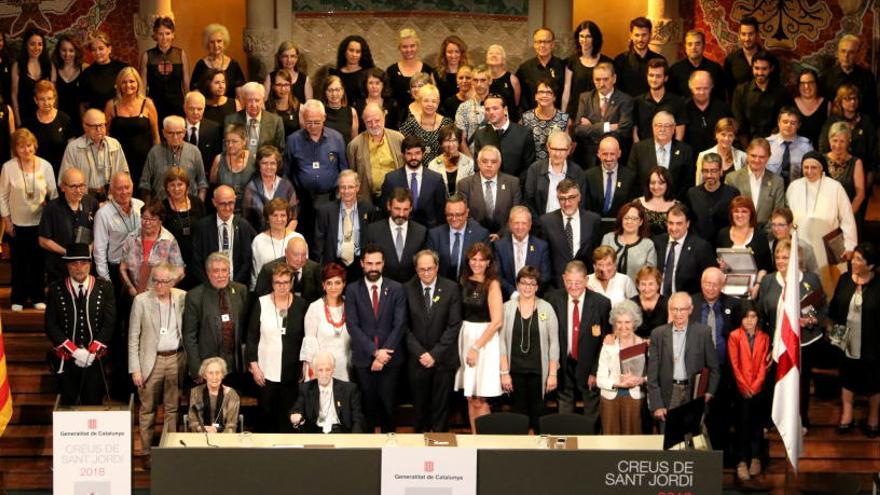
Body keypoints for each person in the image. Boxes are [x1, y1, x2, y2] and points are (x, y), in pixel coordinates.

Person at [756, 239, 826, 428]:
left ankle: (800, 420)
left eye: (785, 257)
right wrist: (765, 344)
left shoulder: (810, 280)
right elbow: (761, 314)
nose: (780, 261)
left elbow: (820, 308)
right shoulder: (769, 281)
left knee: (800, 384)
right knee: (775, 382)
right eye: (777, 257)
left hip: (804, 342)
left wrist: (810, 320)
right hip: (776, 343)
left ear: (796, 259)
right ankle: (774, 420)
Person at [345, 243, 407, 432]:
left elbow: (400, 324)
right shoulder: (352, 290)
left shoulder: (396, 288)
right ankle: (368, 454)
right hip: (364, 360)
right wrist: (374, 352)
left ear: (383, 264)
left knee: (389, 409)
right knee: (367, 410)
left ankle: (391, 451)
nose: (373, 268)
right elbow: (352, 326)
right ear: (362, 264)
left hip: (391, 360)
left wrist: (383, 355)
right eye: (369, 263)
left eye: (377, 263)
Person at [545, 260, 612, 432]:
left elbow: (605, 340)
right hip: (563, 363)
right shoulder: (552, 299)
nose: (573, 286)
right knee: (564, 411)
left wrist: (595, 371)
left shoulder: (601, 303)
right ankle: (565, 448)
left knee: (591, 412)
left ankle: (590, 446)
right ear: (563, 278)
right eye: (569, 282)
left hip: (589, 367)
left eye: (578, 282)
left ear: (586, 280)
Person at [128, 263, 186, 458]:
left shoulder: (182, 297)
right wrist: (135, 369)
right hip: (150, 362)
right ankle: (146, 453)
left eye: (164, 281)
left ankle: (170, 454)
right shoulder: (141, 301)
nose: (159, 285)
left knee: (173, 409)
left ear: (172, 281)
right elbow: (133, 337)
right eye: (156, 281)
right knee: (147, 410)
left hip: (175, 359)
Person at [45, 243, 115, 406]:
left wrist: (91, 351)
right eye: (74, 263)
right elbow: (50, 325)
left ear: (90, 265)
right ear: (67, 266)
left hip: (95, 359)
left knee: (93, 404)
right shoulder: (56, 289)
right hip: (67, 360)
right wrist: (75, 351)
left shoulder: (104, 288)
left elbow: (109, 322)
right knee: (68, 406)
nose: (79, 268)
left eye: (83, 263)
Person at [405, 250, 463, 432]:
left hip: (443, 360)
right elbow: (403, 327)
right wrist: (421, 353)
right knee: (419, 410)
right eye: (422, 269)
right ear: (416, 269)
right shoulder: (406, 289)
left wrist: (434, 354)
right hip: (417, 360)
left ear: (437, 267)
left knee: (441, 409)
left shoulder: (451, 288)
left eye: (430, 268)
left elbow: (454, 325)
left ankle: (439, 449)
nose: (426, 273)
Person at [0, 128, 58, 310]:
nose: (26, 150)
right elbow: (2, 195)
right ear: (15, 149)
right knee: (19, 262)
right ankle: (17, 298)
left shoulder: (46, 166)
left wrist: (49, 212)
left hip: (39, 224)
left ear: (35, 145)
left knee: (38, 262)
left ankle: (38, 296)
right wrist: (7, 220)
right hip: (16, 223)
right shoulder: (8, 167)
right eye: (21, 147)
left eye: (29, 145)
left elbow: (54, 194)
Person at [786, 151, 858, 297]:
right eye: (806, 167)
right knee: (803, 285)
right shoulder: (794, 186)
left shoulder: (835, 187)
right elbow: (787, 217)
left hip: (829, 244)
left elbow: (847, 218)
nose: (809, 171)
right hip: (800, 244)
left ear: (822, 168)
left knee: (830, 286)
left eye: (814, 167)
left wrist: (850, 246)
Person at [247, 263, 306, 432]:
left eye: (286, 282)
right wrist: (254, 367)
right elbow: (251, 338)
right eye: (278, 282)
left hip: (292, 373)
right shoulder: (261, 303)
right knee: (266, 416)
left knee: (287, 417)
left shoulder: (301, 305)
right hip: (265, 373)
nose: (282, 286)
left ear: (292, 282)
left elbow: (306, 337)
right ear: (272, 283)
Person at [646, 292, 720, 428]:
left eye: (682, 309)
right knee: (669, 439)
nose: (678, 313)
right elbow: (652, 375)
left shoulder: (703, 332)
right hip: (669, 392)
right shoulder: (658, 334)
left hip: (694, 392)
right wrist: (657, 404)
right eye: (674, 309)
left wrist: (710, 392)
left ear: (690, 310)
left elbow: (714, 367)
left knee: (692, 437)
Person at [499, 266, 559, 431]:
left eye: (532, 284)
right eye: (524, 283)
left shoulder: (546, 308)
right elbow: (501, 343)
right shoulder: (506, 308)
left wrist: (552, 374)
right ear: (517, 285)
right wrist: (504, 373)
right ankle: (519, 454)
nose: (527, 287)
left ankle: (539, 455)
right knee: (518, 416)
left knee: (539, 415)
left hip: (539, 372)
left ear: (537, 287)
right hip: (515, 371)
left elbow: (554, 343)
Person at [829, 243, 879, 437]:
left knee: (874, 379)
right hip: (846, 339)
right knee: (847, 376)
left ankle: (873, 416)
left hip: (872, 340)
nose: (854, 262)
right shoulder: (844, 280)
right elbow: (834, 309)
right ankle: (847, 414)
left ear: (871, 266)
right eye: (854, 258)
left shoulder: (878, 284)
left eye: (859, 259)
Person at [690, 267, 741, 458]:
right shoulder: (690, 303)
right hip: (694, 371)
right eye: (706, 283)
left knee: (720, 417)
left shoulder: (734, 305)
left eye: (715, 284)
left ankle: (719, 458)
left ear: (723, 285)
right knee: (694, 416)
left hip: (723, 370)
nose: (710, 288)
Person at [455, 242, 504, 433]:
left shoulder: (492, 284)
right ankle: (475, 437)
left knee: (481, 395)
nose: (477, 263)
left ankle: (484, 441)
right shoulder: (463, 280)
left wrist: (476, 347)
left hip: (484, 341)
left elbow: (497, 321)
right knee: (470, 395)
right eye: (473, 259)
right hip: (465, 336)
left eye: (481, 260)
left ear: (488, 262)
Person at [284, 99, 349, 237]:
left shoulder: (336, 138)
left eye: (317, 122)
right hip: (303, 200)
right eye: (309, 122)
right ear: (303, 119)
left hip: (330, 198)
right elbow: (286, 173)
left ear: (324, 118)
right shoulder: (293, 140)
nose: (313, 126)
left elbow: (344, 170)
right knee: (305, 236)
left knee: (328, 236)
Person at [183, 253, 249, 385]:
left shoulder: (240, 290)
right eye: (216, 271)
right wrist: (197, 369)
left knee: (233, 403)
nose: (221, 275)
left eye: (224, 270)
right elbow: (189, 336)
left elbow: (245, 327)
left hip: (234, 367)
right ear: (208, 273)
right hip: (208, 367)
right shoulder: (195, 296)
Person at [727, 301, 770, 481]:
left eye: (753, 316)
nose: (749, 320)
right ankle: (741, 461)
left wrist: (756, 385)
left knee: (757, 425)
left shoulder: (764, 337)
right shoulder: (734, 336)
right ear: (740, 318)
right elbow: (734, 365)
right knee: (742, 425)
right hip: (741, 390)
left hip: (758, 389)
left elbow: (763, 366)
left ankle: (755, 458)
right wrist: (744, 387)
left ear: (758, 318)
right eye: (745, 317)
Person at [38, 168, 99, 283]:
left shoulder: (92, 203)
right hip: (59, 268)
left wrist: (88, 250)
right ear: (63, 187)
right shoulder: (52, 208)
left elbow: (100, 233)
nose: (79, 190)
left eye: (82, 185)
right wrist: (68, 253)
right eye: (73, 186)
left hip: (87, 267)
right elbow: (43, 240)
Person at [596, 300, 648, 435]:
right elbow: (600, 379)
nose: (623, 326)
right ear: (614, 323)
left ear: (634, 323)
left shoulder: (644, 345)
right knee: (610, 442)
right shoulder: (608, 344)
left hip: (635, 398)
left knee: (633, 439)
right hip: (609, 399)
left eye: (627, 322)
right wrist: (617, 383)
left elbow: (651, 376)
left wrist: (640, 380)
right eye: (619, 322)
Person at [312, 170, 376, 277]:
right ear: (338, 188)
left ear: (357, 188)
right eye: (343, 187)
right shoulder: (325, 211)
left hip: (360, 266)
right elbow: (318, 243)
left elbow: (373, 239)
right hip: (333, 264)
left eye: (350, 187)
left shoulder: (368, 209)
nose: (346, 191)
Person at [106, 67, 161, 190]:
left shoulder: (148, 104)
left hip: (144, 161)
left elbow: (155, 135)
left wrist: (157, 160)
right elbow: (106, 134)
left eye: (131, 81)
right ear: (118, 84)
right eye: (124, 82)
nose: (128, 85)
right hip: (119, 160)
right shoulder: (111, 106)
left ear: (138, 83)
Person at [540, 179, 602, 286]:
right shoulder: (546, 222)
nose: (567, 203)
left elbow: (596, 253)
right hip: (557, 285)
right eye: (562, 199)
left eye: (571, 197)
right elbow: (544, 258)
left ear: (579, 197)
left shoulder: (593, 220)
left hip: (587, 283)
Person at [191, 185, 257, 286]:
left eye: (231, 203)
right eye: (222, 204)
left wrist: (234, 284)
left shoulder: (244, 226)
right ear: (214, 202)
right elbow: (196, 262)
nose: (227, 208)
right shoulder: (202, 227)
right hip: (208, 286)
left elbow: (247, 261)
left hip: (237, 286)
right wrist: (209, 284)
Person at [572, 62, 634, 168]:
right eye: (597, 79)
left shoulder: (625, 100)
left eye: (605, 79)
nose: (601, 84)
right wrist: (608, 127)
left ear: (614, 78)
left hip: (614, 158)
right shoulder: (585, 98)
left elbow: (625, 129)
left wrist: (591, 126)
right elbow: (578, 129)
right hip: (588, 159)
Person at [59, 109, 129, 201]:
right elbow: (64, 180)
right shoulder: (74, 147)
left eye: (102, 125)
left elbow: (124, 173)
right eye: (94, 126)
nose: (99, 130)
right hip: (84, 199)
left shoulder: (114, 144)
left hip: (111, 198)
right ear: (85, 126)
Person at [379, 135, 446, 229]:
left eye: (417, 153)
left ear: (423, 154)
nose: (413, 157)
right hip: (399, 229)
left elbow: (441, 212)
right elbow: (385, 210)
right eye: (409, 154)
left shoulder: (436, 179)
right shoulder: (391, 179)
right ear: (403, 155)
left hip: (429, 233)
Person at [289, 351, 365, 433]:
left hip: (341, 432)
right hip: (315, 433)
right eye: (320, 370)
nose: (324, 374)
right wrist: (295, 416)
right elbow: (296, 409)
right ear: (314, 371)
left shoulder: (349, 389)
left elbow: (358, 418)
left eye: (327, 369)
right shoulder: (305, 389)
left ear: (333, 369)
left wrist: (354, 439)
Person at [119, 200, 184, 295]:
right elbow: (122, 268)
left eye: (152, 219)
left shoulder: (169, 240)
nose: (147, 222)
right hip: (135, 293)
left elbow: (180, 272)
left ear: (160, 220)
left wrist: (164, 287)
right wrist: (130, 287)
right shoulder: (132, 238)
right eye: (144, 218)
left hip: (159, 294)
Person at [364, 187, 427, 283]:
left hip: (411, 289)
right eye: (397, 209)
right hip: (383, 288)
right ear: (389, 206)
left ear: (411, 208)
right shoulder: (373, 230)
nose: (401, 214)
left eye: (405, 209)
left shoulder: (421, 232)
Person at [346, 103, 405, 205]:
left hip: (396, 197)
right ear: (364, 122)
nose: (374, 125)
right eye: (369, 122)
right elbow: (352, 176)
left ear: (384, 117)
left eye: (377, 120)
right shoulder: (354, 146)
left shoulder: (399, 139)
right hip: (367, 199)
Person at [628, 111, 694, 201]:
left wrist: (673, 202)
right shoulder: (638, 149)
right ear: (653, 127)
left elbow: (688, 182)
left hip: (675, 204)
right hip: (645, 203)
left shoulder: (685, 150)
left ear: (674, 128)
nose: (662, 129)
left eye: (667, 126)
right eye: (658, 125)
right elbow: (632, 180)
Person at [457, 145, 521, 237]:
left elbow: (516, 214)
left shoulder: (513, 183)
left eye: (494, 162)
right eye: (485, 161)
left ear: (499, 163)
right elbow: (464, 215)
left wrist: (501, 234)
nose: (489, 165)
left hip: (505, 238)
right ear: (478, 163)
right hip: (475, 237)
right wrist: (482, 234)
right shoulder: (464, 184)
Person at [301, 263, 352, 381]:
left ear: (344, 284)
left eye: (337, 283)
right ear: (323, 285)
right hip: (322, 370)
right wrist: (312, 372)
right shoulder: (315, 308)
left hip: (348, 370)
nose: (333, 287)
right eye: (329, 283)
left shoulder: (351, 305)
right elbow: (310, 342)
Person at [93, 172, 143, 290]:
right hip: (117, 270)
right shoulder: (103, 214)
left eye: (127, 187)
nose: (124, 192)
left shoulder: (141, 206)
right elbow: (99, 251)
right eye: (119, 188)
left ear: (132, 186)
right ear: (111, 190)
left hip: (141, 267)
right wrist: (106, 281)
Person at [139, 115, 208, 201]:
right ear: (164, 133)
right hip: (161, 208)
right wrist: (148, 209)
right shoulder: (154, 152)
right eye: (170, 133)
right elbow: (145, 184)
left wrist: (199, 206)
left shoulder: (194, 151)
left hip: (189, 209)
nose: (175, 137)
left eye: (179, 133)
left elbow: (202, 184)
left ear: (184, 132)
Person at [653, 204, 715, 295]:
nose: (674, 228)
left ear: (688, 224)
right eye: (670, 223)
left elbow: (708, 280)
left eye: (679, 224)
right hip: (659, 301)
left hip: (687, 302)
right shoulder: (657, 242)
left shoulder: (701, 247)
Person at [724, 138, 786, 229]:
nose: (757, 160)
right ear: (747, 154)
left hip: (766, 237)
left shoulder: (777, 182)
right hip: (738, 234)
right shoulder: (732, 179)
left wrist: (763, 235)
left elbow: (778, 213)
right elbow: (728, 210)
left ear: (768, 157)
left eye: (762, 157)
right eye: (753, 156)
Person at [426, 193, 490, 282]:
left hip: (471, 286)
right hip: (442, 288)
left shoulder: (480, 235)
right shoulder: (435, 235)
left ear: (467, 213)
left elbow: (486, 267)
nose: (454, 218)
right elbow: (429, 265)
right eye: (450, 215)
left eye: (458, 214)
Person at [472, 93, 535, 179]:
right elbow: (478, 165)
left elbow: (529, 166)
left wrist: (516, 186)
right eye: (487, 109)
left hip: (517, 187)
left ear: (505, 110)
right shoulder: (480, 134)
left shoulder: (524, 133)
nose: (491, 112)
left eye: (495, 108)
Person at [731, 52, 791, 145]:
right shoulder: (741, 90)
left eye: (764, 69)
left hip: (775, 142)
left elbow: (784, 119)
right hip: (747, 143)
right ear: (752, 68)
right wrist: (748, 148)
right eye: (756, 68)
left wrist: (771, 142)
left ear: (771, 69)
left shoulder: (781, 92)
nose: (760, 73)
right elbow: (738, 121)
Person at [524, 130, 586, 218]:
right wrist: (541, 224)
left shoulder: (577, 172)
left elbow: (581, 203)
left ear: (569, 150)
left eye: (562, 150)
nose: (557, 154)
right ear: (548, 147)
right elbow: (528, 202)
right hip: (540, 226)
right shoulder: (535, 169)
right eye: (554, 149)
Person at [493, 206, 552, 298]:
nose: (520, 227)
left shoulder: (541, 246)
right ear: (510, 224)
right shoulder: (499, 246)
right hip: (508, 299)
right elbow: (497, 275)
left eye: (524, 223)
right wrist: (513, 293)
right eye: (516, 223)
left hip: (535, 299)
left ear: (530, 224)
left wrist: (529, 292)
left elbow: (545, 276)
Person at [819, 84, 878, 175]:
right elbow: (823, 147)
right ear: (840, 101)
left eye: (855, 98)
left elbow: (873, 151)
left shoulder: (866, 121)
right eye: (847, 99)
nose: (852, 102)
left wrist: (871, 173)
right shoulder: (832, 122)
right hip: (835, 170)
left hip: (862, 170)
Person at [162, 167, 206, 290]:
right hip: (173, 265)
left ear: (187, 185)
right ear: (166, 187)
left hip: (197, 263)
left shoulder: (197, 203)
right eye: (172, 185)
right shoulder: (162, 207)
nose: (176, 189)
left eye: (180, 184)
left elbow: (205, 231)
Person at [140, 16, 189, 122]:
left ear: (173, 35)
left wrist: (189, 102)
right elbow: (143, 86)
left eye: (167, 33)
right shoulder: (147, 56)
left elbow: (186, 82)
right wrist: (142, 106)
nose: (164, 37)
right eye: (160, 34)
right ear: (155, 35)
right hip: (154, 104)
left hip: (177, 104)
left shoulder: (180, 54)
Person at [561, 20, 612, 119]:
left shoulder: (606, 62)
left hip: (599, 112)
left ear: (595, 38)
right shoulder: (571, 61)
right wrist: (563, 116)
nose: (584, 40)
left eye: (588, 36)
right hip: (575, 112)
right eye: (581, 36)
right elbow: (566, 91)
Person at [22, 80, 74, 176]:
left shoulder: (64, 119)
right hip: (35, 172)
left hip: (61, 172)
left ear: (54, 99)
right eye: (42, 99)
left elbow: (72, 150)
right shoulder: (28, 122)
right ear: (35, 100)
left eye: (49, 98)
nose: (46, 103)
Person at [242, 145, 299, 232]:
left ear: (277, 165)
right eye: (264, 163)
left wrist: (284, 237)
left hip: (284, 237)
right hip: (258, 238)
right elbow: (246, 220)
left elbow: (293, 219)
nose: (268, 167)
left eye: (272, 163)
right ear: (258, 164)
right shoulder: (251, 188)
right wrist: (262, 239)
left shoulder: (287, 186)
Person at [716, 196, 774, 280]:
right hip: (726, 284)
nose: (740, 215)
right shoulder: (723, 234)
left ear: (751, 213)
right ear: (731, 213)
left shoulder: (760, 236)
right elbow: (717, 262)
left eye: (744, 211)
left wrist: (757, 285)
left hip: (754, 286)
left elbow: (766, 268)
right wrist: (720, 267)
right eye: (736, 211)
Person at [250, 198, 304, 289]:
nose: (279, 219)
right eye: (275, 215)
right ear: (267, 218)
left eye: (283, 215)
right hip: (267, 290)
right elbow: (255, 274)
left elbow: (304, 269)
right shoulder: (258, 241)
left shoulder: (298, 238)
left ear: (287, 217)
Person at [686, 153, 740, 243]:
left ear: (721, 171)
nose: (709, 175)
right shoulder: (692, 193)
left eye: (714, 171)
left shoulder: (732, 193)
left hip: (725, 245)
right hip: (699, 246)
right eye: (705, 171)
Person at [820, 34, 878, 116]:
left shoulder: (867, 77)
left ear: (857, 54)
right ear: (838, 53)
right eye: (843, 51)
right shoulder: (825, 78)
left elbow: (872, 108)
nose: (846, 56)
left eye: (851, 52)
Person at [253, 237, 322, 304]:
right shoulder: (269, 270)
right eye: (296, 255)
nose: (300, 259)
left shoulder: (314, 268)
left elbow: (321, 298)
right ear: (286, 252)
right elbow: (259, 299)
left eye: (303, 255)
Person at [584, 135, 639, 219]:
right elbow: (586, 206)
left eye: (612, 154)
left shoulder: (630, 176)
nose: (608, 158)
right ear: (598, 154)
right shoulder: (588, 176)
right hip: (594, 225)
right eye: (605, 154)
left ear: (619, 154)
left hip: (621, 225)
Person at [601, 200, 656, 282]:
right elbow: (600, 266)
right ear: (621, 220)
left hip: (636, 292)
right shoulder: (608, 238)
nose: (629, 222)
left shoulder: (648, 245)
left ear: (640, 222)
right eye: (626, 218)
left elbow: (650, 275)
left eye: (634, 219)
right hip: (607, 290)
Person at [225, 82, 286, 156]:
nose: (253, 105)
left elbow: (280, 152)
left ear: (263, 100)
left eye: (257, 100)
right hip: (239, 165)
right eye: (249, 100)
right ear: (244, 101)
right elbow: (226, 149)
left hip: (266, 166)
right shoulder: (231, 120)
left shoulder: (276, 121)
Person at [399, 84, 452, 166]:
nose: (430, 104)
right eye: (426, 101)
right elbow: (402, 146)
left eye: (433, 101)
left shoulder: (446, 123)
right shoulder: (411, 123)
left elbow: (451, 149)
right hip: (416, 168)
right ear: (420, 102)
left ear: (438, 103)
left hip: (442, 168)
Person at [682, 70, 732, 157]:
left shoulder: (722, 108)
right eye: (698, 88)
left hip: (718, 159)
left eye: (705, 88)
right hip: (690, 161)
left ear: (712, 86)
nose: (702, 92)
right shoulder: (682, 108)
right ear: (690, 86)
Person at [633, 59, 685, 141]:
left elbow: (680, 130)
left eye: (658, 76)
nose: (654, 79)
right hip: (644, 150)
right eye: (651, 75)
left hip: (670, 150)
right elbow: (635, 131)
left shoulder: (677, 101)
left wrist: (674, 151)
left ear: (666, 78)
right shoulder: (637, 101)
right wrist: (639, 151)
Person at [11, 28, 55, 126]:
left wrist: (53, 117)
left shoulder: (49, 65)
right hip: (25, 116)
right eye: (32, 44)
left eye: (40, 44)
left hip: (45, 117)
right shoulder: (18, 66)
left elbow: (54, 94)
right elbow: (14, 95)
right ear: (26, 45)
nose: (36, 47)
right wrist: (17, 120)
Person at [516, 28, 566, 113]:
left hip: (557, 119)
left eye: (546, 42)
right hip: (531, 119)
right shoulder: (525, 68)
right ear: (534, 44)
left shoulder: (563, 67)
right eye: (539, 42)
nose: (542, 45)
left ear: (553, 44)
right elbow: (520, 98)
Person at [190, 24, 246, 98]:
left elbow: (240, 93)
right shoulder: (201, 65)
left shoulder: (234, 65)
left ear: (224, 42)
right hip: (207, 108)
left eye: (219, 41)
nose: (216, 45)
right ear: (207, 44)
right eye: (212, 42)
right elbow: (195, 91)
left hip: (230, 107)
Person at [614, 17, 665, 97]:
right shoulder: (620, 60)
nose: (640, 39)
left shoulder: (660, 60)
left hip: (651, 107)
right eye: (637, 35)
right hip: (626, 107)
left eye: (644, 35)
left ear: (650, 35)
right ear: (631, 35)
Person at [209, 123, 256, 213]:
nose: (230, 145)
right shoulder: (219, 159)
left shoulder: (253, 159)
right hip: (225, 211)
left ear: (244, 141)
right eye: (227, 141)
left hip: (249, 212)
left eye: (234, 141)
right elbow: (213, 184)